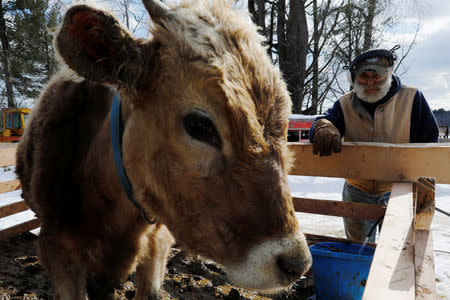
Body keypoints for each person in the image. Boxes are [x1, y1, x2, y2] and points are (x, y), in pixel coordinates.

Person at [308, 47, 439, 243]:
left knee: (397, 248)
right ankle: (362, 274)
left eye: (376, 75)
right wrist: (323, 126)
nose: (370, 81)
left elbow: (430, 144)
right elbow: (323, 121)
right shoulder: (344, 103)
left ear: (388, 75)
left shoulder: (412, 98)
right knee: (358, 246)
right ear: (353, 79)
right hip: (357, 189)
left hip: (399, 189)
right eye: (364, 76)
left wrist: (421, 189)